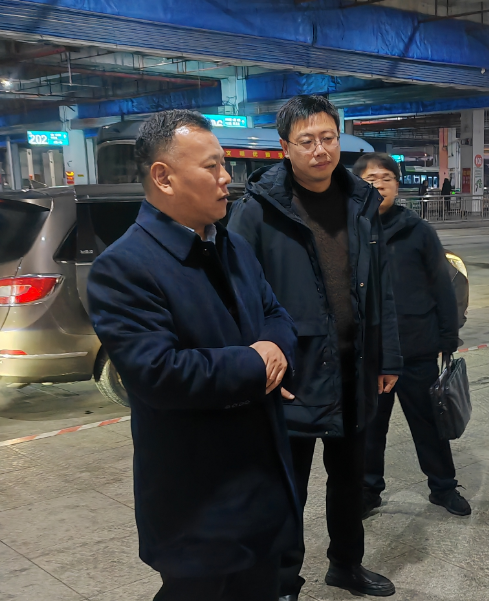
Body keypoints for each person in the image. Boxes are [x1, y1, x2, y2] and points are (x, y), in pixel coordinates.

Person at [86, 110, 300, 601]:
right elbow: (159, 373)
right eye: (212, 166)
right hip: (198, 500)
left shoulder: (232, 247)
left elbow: (277, 316)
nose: (227, 178)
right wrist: (256, 363)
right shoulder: (124, 268)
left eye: (224, 165)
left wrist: (275, 348)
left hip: (262, 483)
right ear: (163, 177)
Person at [227, 96, 402, 600]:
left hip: (354, 366)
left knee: (349, 478)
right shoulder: (258, 210)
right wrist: (256, 362)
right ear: (285, 147)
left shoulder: (361, 202)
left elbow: (382, 286)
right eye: (307, 141)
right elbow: (236, 296)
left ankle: (346, 565)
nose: (320, 150)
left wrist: (387, 356)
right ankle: (283, 581)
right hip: (295, 372)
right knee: (290, 486)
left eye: (328, 138)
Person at [353, 153, 469, 518]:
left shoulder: (419, 231)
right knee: (370, 429)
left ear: (397, 185)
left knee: (429, 424)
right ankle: (368, 490)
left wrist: (447, 339)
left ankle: (443, 487)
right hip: (371, 353)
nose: (379, 185)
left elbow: (443, 288)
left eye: (386, 178)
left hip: (416, 349)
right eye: (370, 179)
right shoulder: (351, 231)